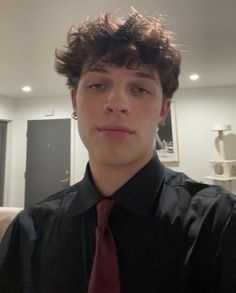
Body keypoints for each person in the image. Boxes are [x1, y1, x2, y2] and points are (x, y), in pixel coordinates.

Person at [0, 10, 236, 293]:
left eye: (140, 89)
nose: (116, 103)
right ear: (75, 99)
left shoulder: (221, 224)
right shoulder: (28, 232)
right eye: (98, 85)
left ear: (163, 110)